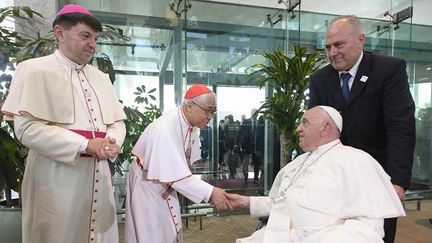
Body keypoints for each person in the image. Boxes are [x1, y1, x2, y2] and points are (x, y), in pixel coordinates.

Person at [1, 4, 126, 243]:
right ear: (60, 33)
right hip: (56, 179)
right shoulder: (34, 70)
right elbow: (27, 130)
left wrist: (112, 141)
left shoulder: (100, 78)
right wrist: (85, 145)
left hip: (98, 174)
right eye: (85, 36)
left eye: (95, 38)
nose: (93, 44)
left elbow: (117, 122)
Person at [227, 106, 405, 243]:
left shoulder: (356, 161)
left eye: (305, 122)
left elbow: (367, 229)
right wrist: (244, 202)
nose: (298, 129)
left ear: (325, 128)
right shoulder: (298, 162)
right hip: (275, 235)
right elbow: (285, 203)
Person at [308, 15, 415, 243]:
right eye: (327, 47)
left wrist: (397, 181)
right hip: (333, 180)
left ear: (360, 40)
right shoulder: (319, 79)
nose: (332, 53)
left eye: (339, 45)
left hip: (378, 179)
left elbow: (400, 127)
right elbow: (316, 131)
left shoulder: (389, 69)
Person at [125, 84, 233, 243]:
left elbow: (178, 168)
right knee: (152, 235)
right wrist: (211, 193)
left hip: (166, 183)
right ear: (190, 106)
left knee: (169, 231)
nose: (210, 116)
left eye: (213, 111)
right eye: (208, 110)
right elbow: (177, 176)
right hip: (149, 187)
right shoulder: (165, 129)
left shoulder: (189, 122)